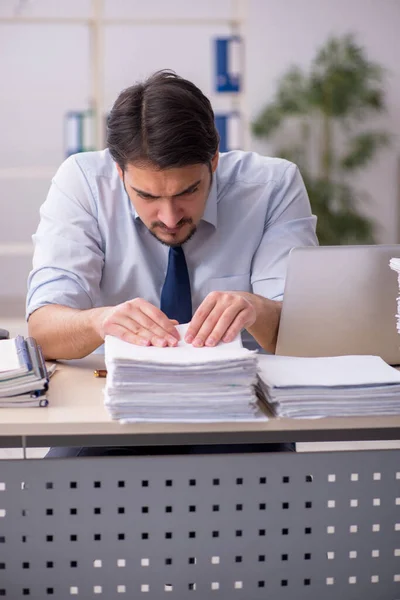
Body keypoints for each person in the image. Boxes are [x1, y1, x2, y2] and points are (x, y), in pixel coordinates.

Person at [26, 70, 318, 457]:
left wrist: (258, 309)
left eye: (188, 192)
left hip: (237, 411)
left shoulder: (273, 186)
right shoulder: (82, 183)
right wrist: (99, 320)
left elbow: (304, 339)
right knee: (55, 498)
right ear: (119, 171)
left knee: (274, 501)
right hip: (111, 407)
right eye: (146, 195)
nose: (168, 217)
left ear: (213, 162)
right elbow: (42, 326)